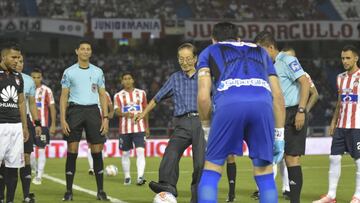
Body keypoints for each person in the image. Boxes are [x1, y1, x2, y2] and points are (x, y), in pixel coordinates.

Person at [197, 22, 285, 203]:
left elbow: (204, 97)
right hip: (262, 105)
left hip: (229, 104)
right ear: (238, 38)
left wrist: (206, 127)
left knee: (212, 169)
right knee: (265, 173)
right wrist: (280, 135)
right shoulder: (261, 51)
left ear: (214, 39)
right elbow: (277, 95)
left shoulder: (210, 51)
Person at [135, 43, 205, 203]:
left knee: (200, 163)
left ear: (195, 59)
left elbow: (217, 97)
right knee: (171, 152)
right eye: (181, 58)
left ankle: (197, 198)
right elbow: (157, 98)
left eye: (188, 58)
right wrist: (143, 113)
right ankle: (168, 185)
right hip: (182, 123)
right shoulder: (175, 78)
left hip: (202, 122)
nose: (184, 62)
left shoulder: (205, 77)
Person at [251, 46, 319, 201]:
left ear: (269, 47)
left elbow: (307, 85)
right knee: (268, 156)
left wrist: (302, 111)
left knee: (291, 158)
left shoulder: (288, 60)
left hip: (292, 112)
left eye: (262, 49)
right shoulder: (268, 65)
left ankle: (294, 198)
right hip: (273, 113)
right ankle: (266, 194)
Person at [60, 40, 109, 201]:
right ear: (77, 51)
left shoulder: (97, 71)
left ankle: (101, 191)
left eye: (88, 49)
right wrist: (63, 118)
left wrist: (106, 118)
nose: (85, 51)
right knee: (72, 151)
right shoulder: (69, 72)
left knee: (97, 151)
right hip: (75, 111)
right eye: (82, 49)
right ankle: (68, 191)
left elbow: (102, 95)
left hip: (93, 111)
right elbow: (64, 96)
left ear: (91, 52)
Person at [312, 45, 360, 203]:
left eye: (348, 58)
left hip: (357, 126)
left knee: (359, 161)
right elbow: (340, 102)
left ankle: (357, 196)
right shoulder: (340, 77)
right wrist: (333, 121)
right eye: (342, 58)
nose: (344, 61)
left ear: (356, 58)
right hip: (341, 125)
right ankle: (331, 196)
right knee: (333, 158)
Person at [0, 43, 29, 203]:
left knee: (13, 167)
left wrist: (24, 126)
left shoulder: (18, 77)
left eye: (18, 57)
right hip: (0, 125)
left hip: (16, 127)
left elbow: (21, 102)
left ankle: (9, 200)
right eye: (13, 57)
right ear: (3, 57)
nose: (16, 60)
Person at [114, 72, 149, 186]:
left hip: (140, 128)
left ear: (133, 80)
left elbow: (145, 110)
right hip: (124, 129)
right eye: (125, 79)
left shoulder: (141, 93)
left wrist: (147, 127)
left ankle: (140, 177)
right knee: (125, 154)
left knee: (140, 151)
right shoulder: (118, 95)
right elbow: (116, 110)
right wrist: (125, 114)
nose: (127, 81)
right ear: (122, 81)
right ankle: (127, 177)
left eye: (129, 78)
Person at [15, 55, 42, 203]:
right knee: (5, 160)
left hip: (25, 121)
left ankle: (26, 194)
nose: (19, 64)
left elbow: (32, 104)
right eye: (16, 61)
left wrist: (37, 123)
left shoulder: (29, 80)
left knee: (26, 157)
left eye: (21, 61)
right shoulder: (3, 78)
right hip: (7, 121)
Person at [29, 68, 56, 185]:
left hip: (43, 125)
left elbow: (52, 108)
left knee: (41, 150)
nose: (36, 80)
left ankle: (39, 176)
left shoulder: (47, 91)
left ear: (42, 78)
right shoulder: (26, 90)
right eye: (33, 77)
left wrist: (54, 124)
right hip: (28, 125)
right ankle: (35, 170)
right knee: (29, 153)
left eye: (38, 77)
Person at [87, 90, 114, 176]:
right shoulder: (87, 92)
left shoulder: (105, 93)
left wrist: (106, 120)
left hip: (101, 124)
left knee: (100, 146)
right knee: (90, 145)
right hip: (89, 122)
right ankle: (92, 168)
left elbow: (111, 111)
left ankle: (98, 167)